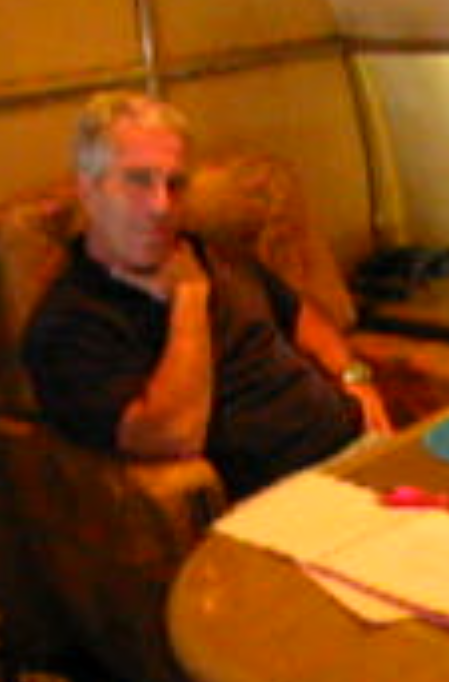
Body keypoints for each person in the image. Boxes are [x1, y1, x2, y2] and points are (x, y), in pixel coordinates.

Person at [24, 91, 392, 499]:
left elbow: (300, 315)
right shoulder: (69, 323)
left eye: (175, 184)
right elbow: (174, 434)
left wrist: (353, 376)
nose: (161, 206)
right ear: (89, 190)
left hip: (364, 448)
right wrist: (189, 298)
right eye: (138, 180)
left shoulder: (207, 250)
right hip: (287, 498)